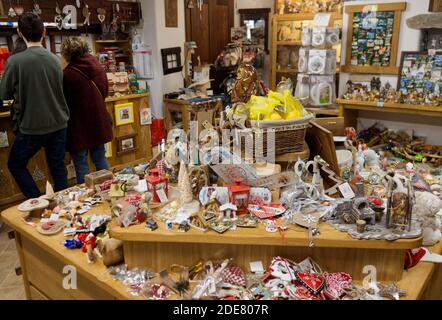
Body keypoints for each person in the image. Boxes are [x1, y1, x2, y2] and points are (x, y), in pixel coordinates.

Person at [0, 13, 70, 199]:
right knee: (58, 167)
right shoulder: (56, 60)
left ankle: (37, 202)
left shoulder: (15, 62)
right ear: (44, 32)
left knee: (15, 164)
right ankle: (63, 206)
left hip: (32, 126)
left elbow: (3, 94)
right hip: (59, 122)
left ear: (19, 32)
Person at [61, 37, 112, 184]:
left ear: (67, 53)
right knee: (100, 158)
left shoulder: (67, 74)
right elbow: (105, 92)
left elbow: (65, 101)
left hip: (78, 125)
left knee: (81, 163)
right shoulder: (98, 67)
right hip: (98, 120)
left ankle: (85, 198)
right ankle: (109, 189)